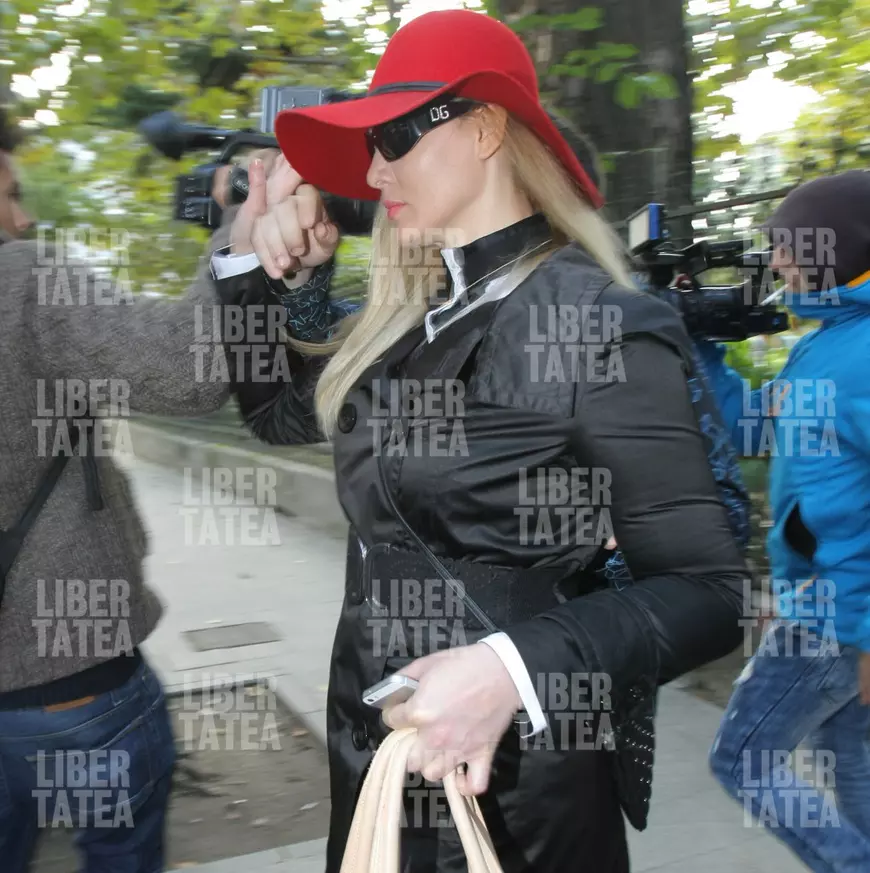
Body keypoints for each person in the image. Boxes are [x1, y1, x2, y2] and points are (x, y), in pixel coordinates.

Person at [215, 10, 752, 871]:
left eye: (394, 135)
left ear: (487, 127)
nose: (375, 170)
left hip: (519, 779)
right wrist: (256, 264)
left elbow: (707, 590)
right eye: (370, 146)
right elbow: (276, 415)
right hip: (376, 741)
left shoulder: (597, 322)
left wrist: (511, 667)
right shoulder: (406, 322)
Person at [0, 106, 247, 872]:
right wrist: (236, 228)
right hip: (65, 681)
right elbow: (189, 371)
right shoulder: (23, 279)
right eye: (10, 193)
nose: (24, 215)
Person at [702, 170, 870, 872]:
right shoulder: (823, 344)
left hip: (838, 616)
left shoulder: (860, 354)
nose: (774, 263)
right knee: (850, 766)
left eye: (788, 247)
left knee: (742, 757)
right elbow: (747, 427)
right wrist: (700, 345)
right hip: (824, 606)